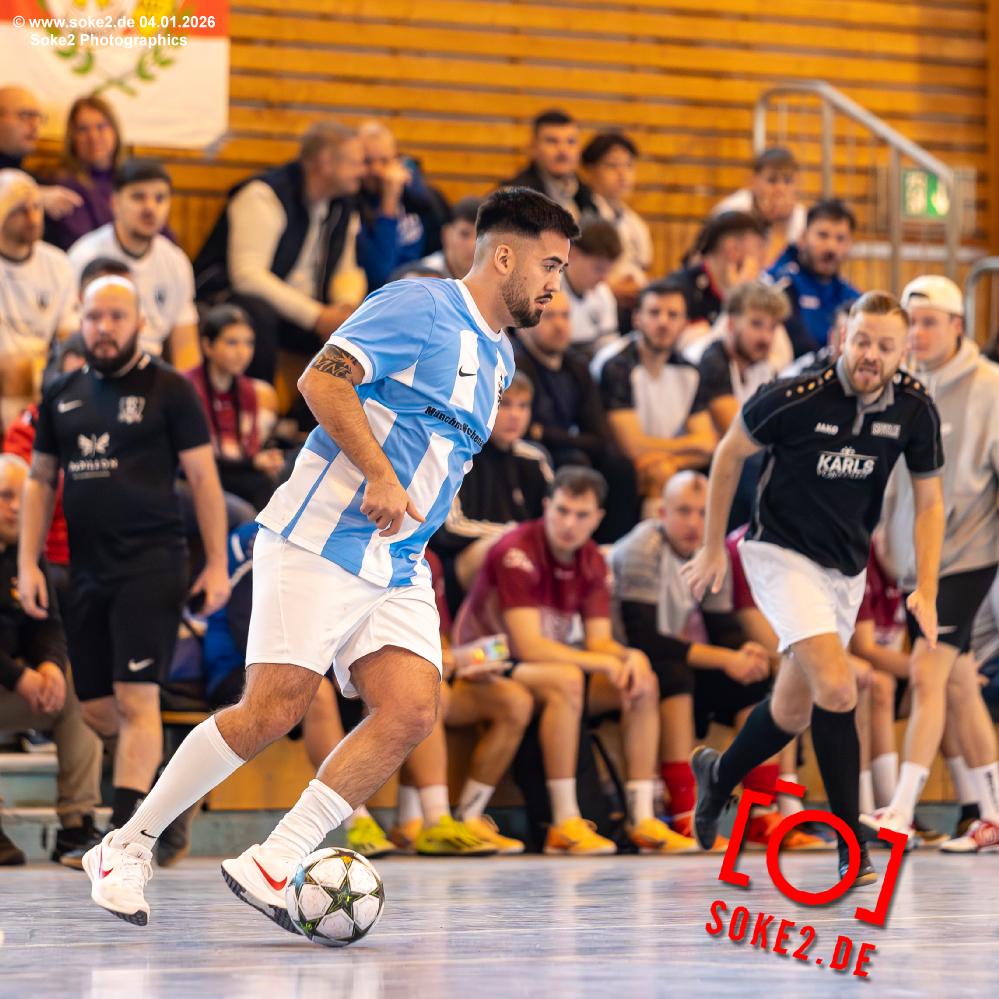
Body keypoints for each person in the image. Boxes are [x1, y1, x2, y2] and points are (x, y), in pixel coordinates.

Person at [75, 187, 577, 927]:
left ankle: (276, 859)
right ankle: (125, 844)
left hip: (398, 561)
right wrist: (378, 472)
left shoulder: (500, 357)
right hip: (322, 535)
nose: (555, 284)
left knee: (411, 708)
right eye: (550, 265)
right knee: (273, 708)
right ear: (504, 256)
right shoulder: (420, 305)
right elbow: (321, 377)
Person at [682, 291, 945, 887]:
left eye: (885, 346)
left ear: (903, 352)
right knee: (839, 686)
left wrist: (925, 587)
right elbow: (728, 454)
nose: (871, 354)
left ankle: (719, 776)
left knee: (792, 709)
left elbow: (930, 503)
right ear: (843, 339)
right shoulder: (796, 394)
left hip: (844, 570)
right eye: (862, 341)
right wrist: (711, 545)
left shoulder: (915, 407)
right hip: (779, 552)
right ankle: (851, 848)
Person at [18, 275, 230, 864]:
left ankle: (124, 840)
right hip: (84, 569)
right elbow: (39, 481)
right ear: (79, 321)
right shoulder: (61, 391)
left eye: (116, 316)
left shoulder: (170, 389)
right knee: (94, 708)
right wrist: (28, 562)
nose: (104, 328)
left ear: (140, 322)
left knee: (138, 702)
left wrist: (216, 563)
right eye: (94, 317)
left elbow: (204, 479)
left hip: (151, 564)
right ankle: (167, 795)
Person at [455, 466, 698, 855]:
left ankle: (642, 818)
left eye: (581, 515)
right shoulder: (516, 549)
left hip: (541, 663)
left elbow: (599, 641)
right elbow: (528, 647)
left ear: (598, 518)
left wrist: (629, 656)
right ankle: (565, 822)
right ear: (546, 506)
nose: (570, 524)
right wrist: (602, 662)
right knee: (567, 679)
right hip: (487, 657)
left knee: (642, 681)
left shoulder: (591, 560)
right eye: (562, 511)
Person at [610, 473, 827, 850]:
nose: (694, 523)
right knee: (674, 674)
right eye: (683, 512)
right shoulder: (643, 547)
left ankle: (761, 816)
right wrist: (727, 657)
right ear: (662, 513)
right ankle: (683, 814)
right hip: (630, 659)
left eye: (703, 513)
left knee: (757, 680)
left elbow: (721, 626)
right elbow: (644, 638)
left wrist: (746, 651)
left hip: (677, 657)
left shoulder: (712, 552)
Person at [870, 275, 999, 850]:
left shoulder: (990, 387)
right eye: (911, 323)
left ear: (957, 326)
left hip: (968, 553)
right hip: (913, 559)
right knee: (960, 684)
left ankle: (900, 809)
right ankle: (993, 813)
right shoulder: (900, 386)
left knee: (926, 672)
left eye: (928, 323)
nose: (917, 334)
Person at [193, 122, 367, 384]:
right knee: (256, 313)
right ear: (324, 162)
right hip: (229, 301)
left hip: (302, 310)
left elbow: (347, 268)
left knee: (361, 328)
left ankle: (316, 409)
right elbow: (247, 276)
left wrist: (344, 308)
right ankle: (259, 404)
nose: (362, 171)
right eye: (354, 163)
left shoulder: (342, 205)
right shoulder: (263, 195)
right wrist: (317, 316)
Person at [0, 454, 103, 869]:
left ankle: (76, 826)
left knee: (83, 690)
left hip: (13, 686)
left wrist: (51, 667)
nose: (15, 508)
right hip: (9, 679)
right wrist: (18, 675)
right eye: (5, 496)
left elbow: (47, 623)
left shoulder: (25, 556)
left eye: (22, 499)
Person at [512, 290, 639, 542]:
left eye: (565, 316)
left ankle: (611, 547)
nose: (560, 325)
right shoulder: (515, 364)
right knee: (574, 462)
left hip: (567, 448)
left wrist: (546, 432)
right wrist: (562, 438)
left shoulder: (577, 366)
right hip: (532, 450)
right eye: (549, 317)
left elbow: (599, 436)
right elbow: (525, 432)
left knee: (619, 466)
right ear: (523, 325)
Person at [67, 159, 200, 371]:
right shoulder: (85, 256)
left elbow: (185, 346)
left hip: (152, 370)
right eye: (138, 197)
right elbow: (71, 336)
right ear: (114, 203)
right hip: (99, 368)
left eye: (160, 198)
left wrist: (188, 389)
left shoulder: (176, 261)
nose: (150, 208)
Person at [431, 370, 551, 599]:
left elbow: (554, 516)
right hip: (465, 560)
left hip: (527, 550)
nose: (515, 415)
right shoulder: (458, 452)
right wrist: (515, 534)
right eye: (505, 404)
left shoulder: (535, 457)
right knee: (508, 550)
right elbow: (449, 528)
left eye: (523, 406)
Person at [595, 280, 716, 496]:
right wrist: (689, 445)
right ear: (637, 318)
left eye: (673, 315)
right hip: (622, 472)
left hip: (664, 468)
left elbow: (707, 444)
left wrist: (670, 463)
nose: (663, 322)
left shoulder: (690, 371)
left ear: (685, 323)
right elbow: (632, 447)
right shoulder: (617, 366)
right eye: (654, 313)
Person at [0, 170, 79, 429]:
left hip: (44, 372)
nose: (32, 217)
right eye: (20, 210)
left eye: (37, 207)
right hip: (6, 370)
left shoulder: (58, 264)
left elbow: (69, 336)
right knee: (15, 367)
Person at [185, 304, 282, 511]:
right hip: (196, 475)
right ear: (207, 345)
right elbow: (196, 457)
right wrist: (254, 462)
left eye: (249, 343)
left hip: (235, 472)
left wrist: (263, 459)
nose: (242, 352)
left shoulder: (249, 391)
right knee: (259, 491)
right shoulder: (187, 388)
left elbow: (248, 449)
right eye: (231, 342)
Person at [356, 120, 449, 290]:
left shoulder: (420, 199)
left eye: (384, 161)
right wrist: (389, 203)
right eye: (367, 161)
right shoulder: (350, 205)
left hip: (420, 290)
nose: (377, 170)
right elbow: (379, 275)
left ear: (397, 161)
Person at [696, 282, 789, 437]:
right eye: (756, 324)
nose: (765, 338)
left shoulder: (762, 366)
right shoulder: (711, 362)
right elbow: (739, 434)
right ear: (731, 324)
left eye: (772, 328)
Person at [767, 198, 859, 356]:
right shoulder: (781, 283)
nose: (831, 247)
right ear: (803, 237)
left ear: (849, 245)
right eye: (822, 235)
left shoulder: (851, 296)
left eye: (840, 239)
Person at [580, 131, 653, 311]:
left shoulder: (636, 224)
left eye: (628, 165)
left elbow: (644, 267)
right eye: (612, 166)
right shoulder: (580, 215)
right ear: (589, 171)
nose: (622, 174)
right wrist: (610, 290)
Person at [669, 211, 765, 340]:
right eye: (758, 246)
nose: (762, 255)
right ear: (732, 248)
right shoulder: (680, 289)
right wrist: (739, 297)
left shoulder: (757, 288)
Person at [46, 95, 123, 251]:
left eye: (101, 127)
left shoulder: (131, 179)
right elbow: (83, 248)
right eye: (83, 129)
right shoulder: (67, 185)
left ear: (114, 131)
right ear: (72, 138)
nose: (93, 136)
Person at [0, 85, 82, 220]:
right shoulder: (36, 191)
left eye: (38, 118)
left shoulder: (34, 179)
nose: (35, 125)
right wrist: (35, 198)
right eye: (25, 115)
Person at [713, 147, 806, 265]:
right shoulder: (733, 210)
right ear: (753, 181)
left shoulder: (801, 216)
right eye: (772, 180)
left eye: (787, 181)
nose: (780, 189)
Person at [504, 109, 596, 220]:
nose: (563, 150)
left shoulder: (586, 195)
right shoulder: (513, 198)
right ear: (533, 147)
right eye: (552, 141)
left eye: (571, 141)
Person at [562, 217, 621, 351]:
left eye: (608, 271)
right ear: (573, 254)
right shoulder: (547, 291)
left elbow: (608, 349)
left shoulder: (603, 294)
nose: (604, 278)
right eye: (598, 269)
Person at [417, 196, 482, 280]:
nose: (473, 245)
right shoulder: (421, 279)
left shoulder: (493, 277)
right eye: (465, 234)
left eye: (481, 236)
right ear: (446, 235)